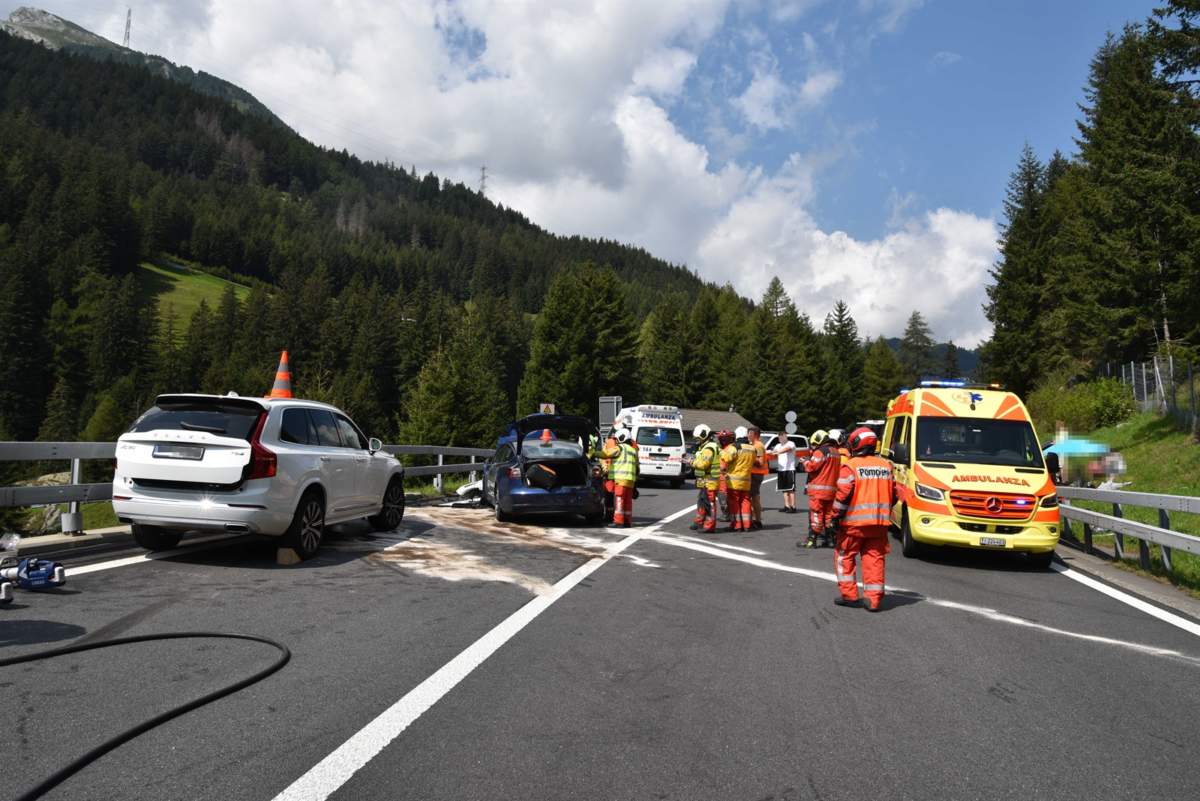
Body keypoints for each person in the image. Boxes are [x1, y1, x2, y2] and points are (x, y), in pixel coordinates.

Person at [830, 426, 896, 612]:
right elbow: (895, 494)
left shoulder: (851, 466)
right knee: (874, 558)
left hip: (853, 525)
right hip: (879, 524)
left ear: (856, 444)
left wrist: (834, 518)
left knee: (844, 557)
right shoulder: (886, 466)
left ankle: (850, 596)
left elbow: (842, 496)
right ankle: (873, 600)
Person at [799, 429, 839, 548]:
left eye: (815, 444)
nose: (814, 446)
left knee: (816, 514)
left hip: (819, 490)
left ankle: (811, 540)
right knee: (828, 515)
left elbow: (812, 467)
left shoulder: (821, 451)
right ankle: (830, 540)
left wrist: (805, 462)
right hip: (832, 490)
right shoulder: (835, 452)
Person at [601, 428, 639, 527]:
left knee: (618, 499)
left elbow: (604, 454)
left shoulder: (617, 446)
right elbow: (637, 465)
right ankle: (626, 521)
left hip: (617, 476)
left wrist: (593, 455)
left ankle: (617, 521)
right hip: (629, 478)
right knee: (627, 501)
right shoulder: (633, 447)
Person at [689, 424, 721, 533]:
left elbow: (703, 464)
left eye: (699, 438)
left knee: (710, 503)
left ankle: (709, 526)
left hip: (710, 480)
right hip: (704, 479)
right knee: (702, 500)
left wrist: (691, 462)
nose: (697, 440)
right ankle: (699, 521)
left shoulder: (709, 448)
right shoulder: (705, 447)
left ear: (705, 436)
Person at [771, 431, 798, 513]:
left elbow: (787, 449)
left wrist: (778, 452)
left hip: (790, 469)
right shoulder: (778, 445)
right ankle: (787, 506)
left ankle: (793, 507)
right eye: (779, 437)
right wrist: (773, 453)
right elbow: (773, 452)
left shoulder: (791, 443)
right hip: (781, 469)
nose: (781, 438)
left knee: (791, 489)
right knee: (784, 489)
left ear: (786, 436)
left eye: (783, 436)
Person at [748, 426, 768, 530]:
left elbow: (760, 462)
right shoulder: (754, 445)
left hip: (756, 474)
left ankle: (757, 521)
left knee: (754, 497)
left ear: (754, 434)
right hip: (754, 474)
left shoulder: (758, 445)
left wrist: (749, 457)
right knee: (753, 498)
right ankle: (755, 519)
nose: (748, 436)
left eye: (749, 434)